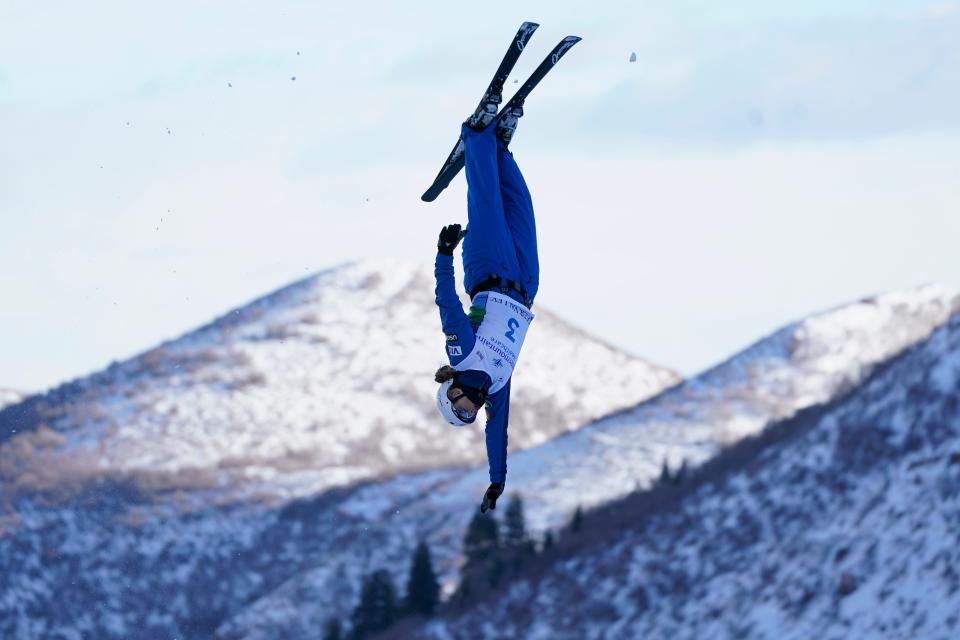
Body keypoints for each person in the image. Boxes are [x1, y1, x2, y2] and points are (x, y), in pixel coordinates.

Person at [433, 99, 539, 514]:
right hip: (525, 281)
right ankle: (500, 149)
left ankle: (477, 133)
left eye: (460, 405)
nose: (471, 406)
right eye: (469, 413)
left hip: (487, 269)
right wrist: (497, 482)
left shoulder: (461, 352)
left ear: (450, 391)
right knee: (519, 202)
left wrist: (443, 255)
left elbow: (446, 304)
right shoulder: (496, 388)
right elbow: (498, 433)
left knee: (486, 203)